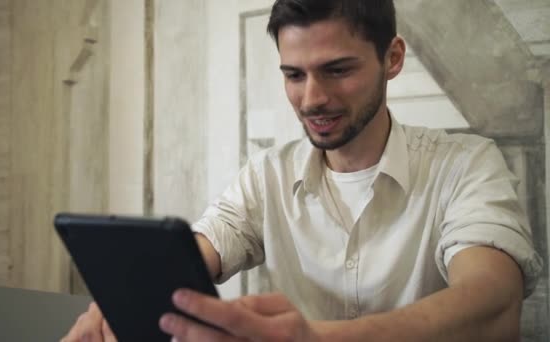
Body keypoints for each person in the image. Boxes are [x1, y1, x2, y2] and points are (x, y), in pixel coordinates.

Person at [62, 0, 543, 341]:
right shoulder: (266, 174)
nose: (311, 98)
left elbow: (491, 298)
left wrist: (318, 339)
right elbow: (198, 250)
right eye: (294, 75)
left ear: (391, 58)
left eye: (337, 70)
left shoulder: (465, 164)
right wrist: (120, 302)